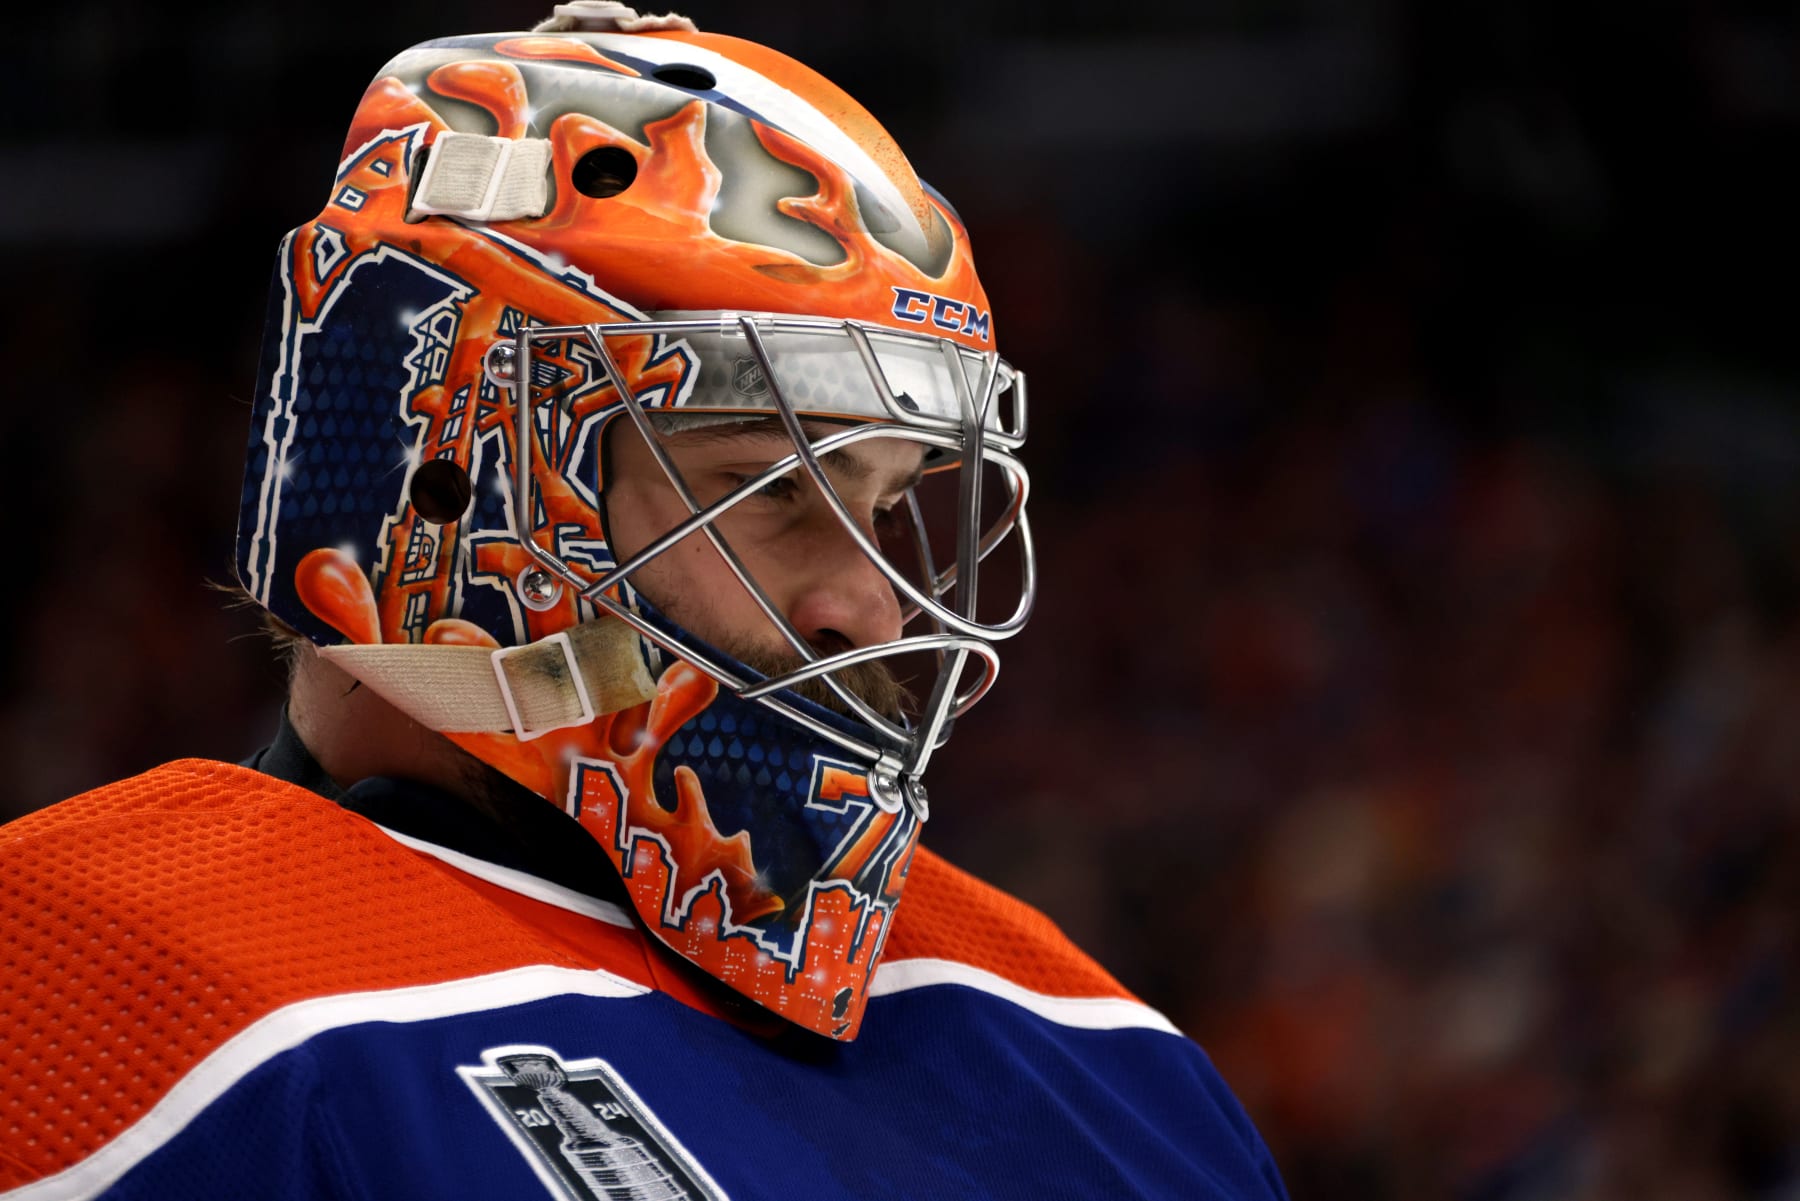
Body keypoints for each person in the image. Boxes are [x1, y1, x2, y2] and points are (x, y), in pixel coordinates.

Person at [0, 6, 1287, 1198]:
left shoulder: (1107, 1063)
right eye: (770, 491)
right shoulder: (82, 986)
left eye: (887, 508)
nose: (872, 612)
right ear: (449, 475)